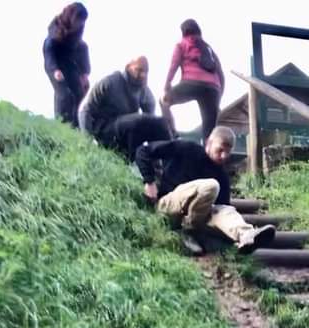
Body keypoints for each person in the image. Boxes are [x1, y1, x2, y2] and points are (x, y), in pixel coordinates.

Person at [134, 126, 276, 254]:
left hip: (194, 219)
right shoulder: (186, 148)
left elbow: (221, 210)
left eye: (228, 151)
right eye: (220, 150)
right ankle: (186, 230)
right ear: (208, 142)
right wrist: (149, 181)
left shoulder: (222, 175)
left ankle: (246, 235)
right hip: (168, 203)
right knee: (211, 186)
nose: (224, 156)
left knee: (225, 209)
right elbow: (143, 151)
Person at [81, 56, 170, 159]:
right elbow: (85, 110)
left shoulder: (145, 91)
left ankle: (169, 168)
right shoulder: (110, 82)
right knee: (138, 120)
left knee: (161, 123)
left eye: (146, 72)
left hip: (128, 132)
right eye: (139, 70)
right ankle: (127, 157)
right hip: (105, 131)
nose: (143, 75)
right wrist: (87, 141)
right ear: (128, 67)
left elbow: (152, 125)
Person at [161, 19, 225, 141]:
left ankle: (171, 134)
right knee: (209, 132)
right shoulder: (208, 48)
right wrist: (218, 96)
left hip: (192, 83)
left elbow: (173, 66)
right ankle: (208, 154)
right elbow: (221, 74)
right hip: (213, 89)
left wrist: (166, 87)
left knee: (164, 101)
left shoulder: (182, 44)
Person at [42, 2, 90, 127]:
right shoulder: (56, 28)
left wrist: (84, 73)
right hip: (55, 63)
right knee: (64, 95)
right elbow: (49, 50)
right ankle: (61, 125)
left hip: (69, 65)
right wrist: (55, 69)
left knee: (80, 93)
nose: (80, 23)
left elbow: (80, 49)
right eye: (79, 19)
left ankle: (76, 127)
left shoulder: (79, 32)